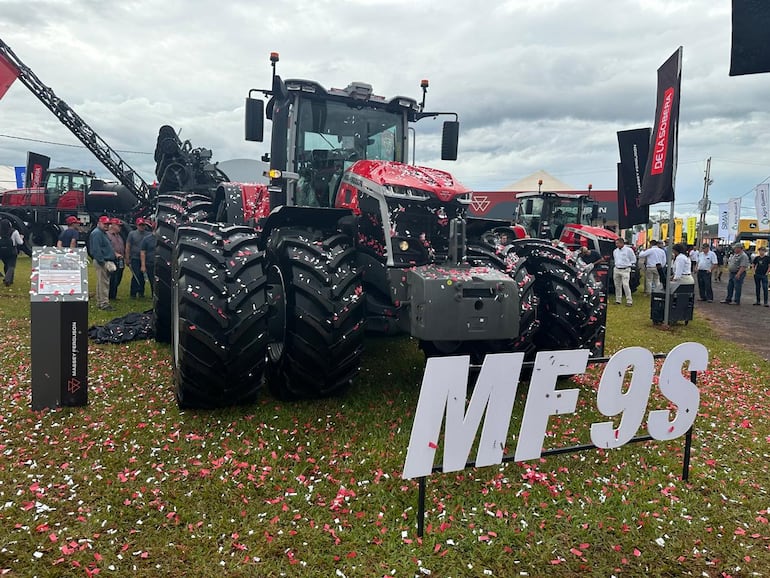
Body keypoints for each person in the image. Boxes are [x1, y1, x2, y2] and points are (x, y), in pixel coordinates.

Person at [89, 215, 116, 310]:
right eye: (105, 224)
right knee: (104, 283)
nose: (107, 226)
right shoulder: (97, 233)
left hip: (104, 260)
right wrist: (102, 262)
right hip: (102, 261)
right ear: (99, 223)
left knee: (101, 283)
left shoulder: (102, 233)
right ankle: (104, 304)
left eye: (108, 224)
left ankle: (100, 302)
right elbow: (96, 250)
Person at [125, 217, 151, 299]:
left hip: (144, 258)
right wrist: (127, 257)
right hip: (135, 257)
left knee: (143, 276)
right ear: (137, 225)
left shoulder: (148, 234)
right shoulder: (132, 234)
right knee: (136, 274)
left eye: (143, 225)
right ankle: (133, 293)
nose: (142, 227)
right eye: (140, 225)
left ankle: (141, 292)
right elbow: (128, 246)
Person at [612, 237, 636, 306]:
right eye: (616, 243)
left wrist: (629, 265)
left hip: (625, 269)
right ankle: (618, 300)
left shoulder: (628, 250)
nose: (616, 245)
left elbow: (633, 259)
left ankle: (629, 301)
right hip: (617, 269)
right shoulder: (615, 251)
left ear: (622, 243)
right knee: (617, 285)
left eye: (617, 243)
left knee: (625, 285)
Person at [106, 218, 126, 300]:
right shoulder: (107, 235)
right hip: (112, 259)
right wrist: (115, 254)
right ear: (113, 226)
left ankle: (114, 294)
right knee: (112, 278)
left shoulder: (119, 236)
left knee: (118, 277)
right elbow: (108, 248)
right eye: (119, 226)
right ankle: (110, 295)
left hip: (120, 260)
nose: (120, 228)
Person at [139, 222, 157, 297]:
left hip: (160, 263)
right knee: (152, 280)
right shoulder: (146, 239)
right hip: (150, 263)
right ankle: (154, 295)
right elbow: (143, 252)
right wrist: (143, 265)